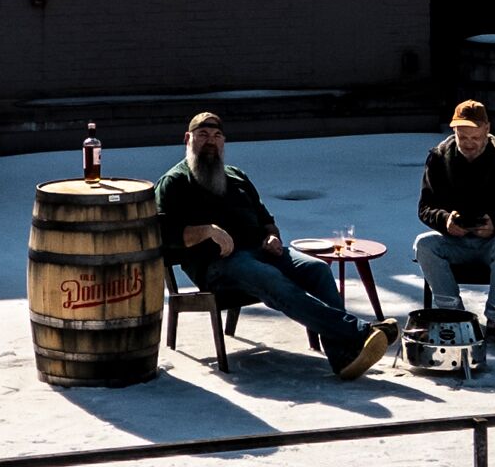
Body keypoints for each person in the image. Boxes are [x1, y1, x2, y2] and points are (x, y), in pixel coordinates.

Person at [156, 112, 398, 380]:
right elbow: (163, 235)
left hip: (261, 252)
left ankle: (342, 358)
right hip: (218, 266)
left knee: (316, 268)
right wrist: (207, 231)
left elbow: (266, 218)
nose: (210, 142)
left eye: (216, 136)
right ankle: (360, 332)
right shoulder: (175, 182)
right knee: (271, 278)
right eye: (203, 135)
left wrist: (273, 236)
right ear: (188, 139)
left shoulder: (235, 176)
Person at [412, 100, 495, 349]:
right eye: (462, 136)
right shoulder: (438, 158)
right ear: (453, 131)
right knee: (423, 244)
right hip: (455, 242)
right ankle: (454, 315)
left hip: (493, 244)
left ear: (487, 129)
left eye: (475, 137)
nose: (469, 143)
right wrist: (444, 220)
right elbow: (425, 208)